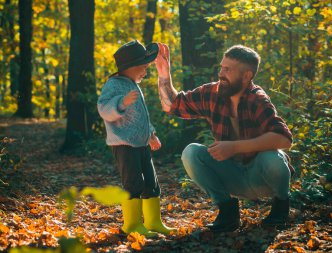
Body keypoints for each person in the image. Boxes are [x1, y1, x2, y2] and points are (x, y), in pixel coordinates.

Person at [155, 43, 294, 232]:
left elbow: (284, 139)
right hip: (232, 175)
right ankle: (228, 213)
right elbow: (173, 105)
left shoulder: (257, 98)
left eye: (227, 70)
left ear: (247, 76)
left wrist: (234, 147)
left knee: (273, 158)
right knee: (191, 153)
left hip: (261, 177)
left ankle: (280, 206)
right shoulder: (213, 92)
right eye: (221, 67)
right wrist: (164, 75)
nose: (221, 73)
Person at [97, 40, 175, 237]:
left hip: (141, 143)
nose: (145, 72)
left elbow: (141, 116)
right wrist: (121, 103)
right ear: (130, 68)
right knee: (133, 183)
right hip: (124, 144)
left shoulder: (132, 84)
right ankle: (131, 224)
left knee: (151, 182)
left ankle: (153, 221)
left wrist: (150, 134)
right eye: (143, 68)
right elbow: (104, 109)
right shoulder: (114, 85)